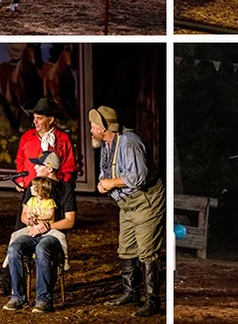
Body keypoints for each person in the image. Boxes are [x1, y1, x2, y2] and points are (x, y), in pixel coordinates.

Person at [0, 97, 76, 295]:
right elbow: (22, 160)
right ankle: (8, 283)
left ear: (50, 119)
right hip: (31, 194)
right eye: (35, 118)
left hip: (53, 194)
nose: (35, 122)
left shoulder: (63, 140)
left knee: (47, 239)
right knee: (19, 232)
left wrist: (58, 184)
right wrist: (23, 181)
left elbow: (69, 165)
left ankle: (46, 282)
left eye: (39, 118)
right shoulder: (28, 137)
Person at [92, 105, 165, 318]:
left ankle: (152, 300)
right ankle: (130, 292)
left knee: (147, 249)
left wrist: (110, 183)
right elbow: (106, 171)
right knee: (126, 247)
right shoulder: (107, 144)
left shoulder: (129, 143)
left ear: (105, 127)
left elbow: (138, 177)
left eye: (94, 126)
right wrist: (102, 183)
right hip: (126, 204)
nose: (91, 130)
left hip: (145, 201)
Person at [4, 172, 76, 313]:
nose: (35, 167)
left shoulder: (65, 189)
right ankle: (18, 296)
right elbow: (24, 215)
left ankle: (43, 299)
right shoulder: (33, 188)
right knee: (14, 248)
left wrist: (45, 226)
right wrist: (30, 220)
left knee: (42, 248)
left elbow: (70, 221)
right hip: (32, 231)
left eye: (39, 164)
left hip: (52, 234)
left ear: (49, 167)